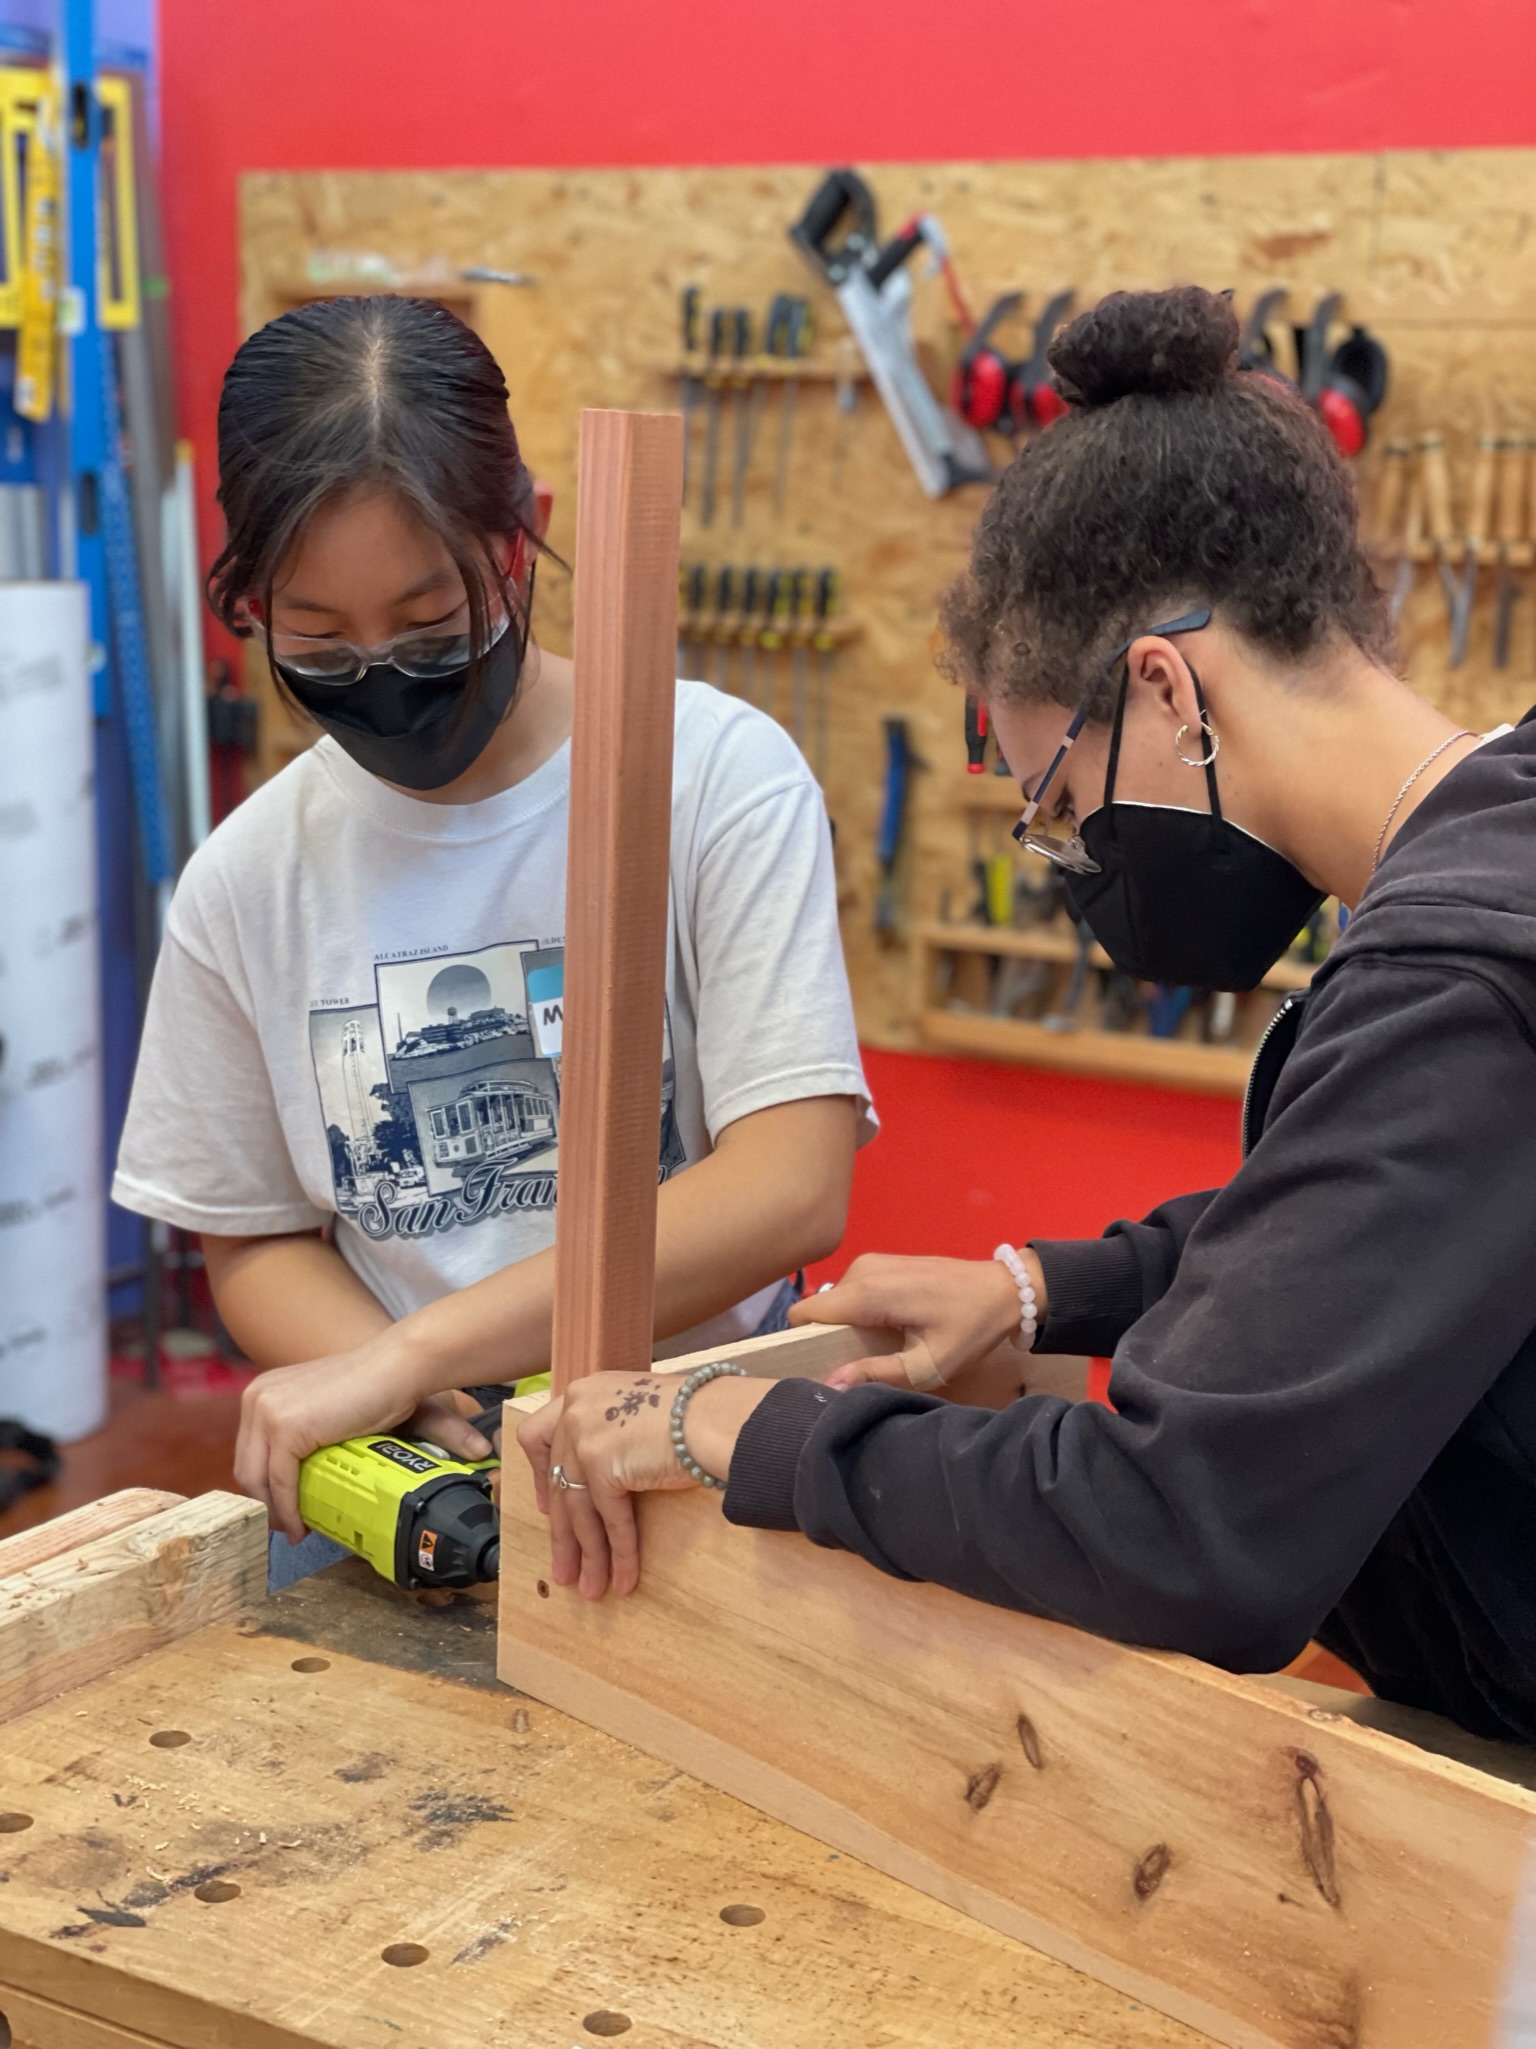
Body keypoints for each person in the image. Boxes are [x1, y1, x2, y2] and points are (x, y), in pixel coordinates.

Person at [520, 284, 1536, 1746]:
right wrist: (1047, 1289)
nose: (1075, 861)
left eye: (1060, 800)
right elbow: (1382, 1219)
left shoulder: (1455, 979)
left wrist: (744, 1427)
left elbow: (1184, 1537)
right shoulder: (1497, 844)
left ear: (1168, 686)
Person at [112, 295, 871, 1575]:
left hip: (699, 1454)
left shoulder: (710, 776)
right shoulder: (247, 879)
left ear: (527, 540)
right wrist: (398, 1392)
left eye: (428, 626)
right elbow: (249, 1236)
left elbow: (792, 1181)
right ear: (248, 605)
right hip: (429, 1472)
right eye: (317, 639)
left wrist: (414, 1350)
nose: (383, 672)